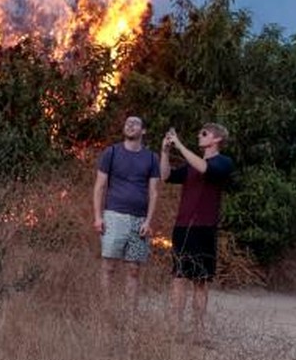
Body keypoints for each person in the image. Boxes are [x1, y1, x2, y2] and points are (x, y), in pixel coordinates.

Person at [160, 123, 234, 336]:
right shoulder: (191, 165)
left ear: (217, 139)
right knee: (179, 277)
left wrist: (180, 145)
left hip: (205, 228)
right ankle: (175, 328)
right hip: (183, 226)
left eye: (204, 133)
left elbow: (206, 169)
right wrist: (165, 151)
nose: (199, 136)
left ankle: (198, 331)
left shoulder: (224, 162)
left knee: (200, 281)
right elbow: (166, 176)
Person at [92, 115, 160, 301]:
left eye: (135, 123)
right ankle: (106, 310)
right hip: (114, 216)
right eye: (127, 122)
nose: (130, 125)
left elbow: (153, 191)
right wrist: (98, 217)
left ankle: (130, 315)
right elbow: (99, 186)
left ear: (143, 131)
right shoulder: (111, 152)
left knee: (134, 269)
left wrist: (148, 221)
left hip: (139, 220)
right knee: (109, 266)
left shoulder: (152, 158)